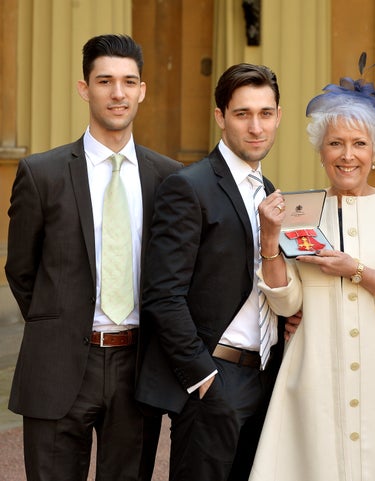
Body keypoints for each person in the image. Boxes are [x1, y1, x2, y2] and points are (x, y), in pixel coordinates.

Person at [4, 34, 181, 481]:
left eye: (128, 82)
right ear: (84, 88)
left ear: (142, 89)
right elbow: (21, 269)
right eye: (105, 81)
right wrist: (59, 324)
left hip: (138, 366)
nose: (117, 93)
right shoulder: (41, 174)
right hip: (58, 363)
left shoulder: (170, 179)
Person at [248, 61, 375, 481]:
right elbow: (286, 302)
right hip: (315, 376)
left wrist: (357, 269)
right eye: (335, 144)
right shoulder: (300, 210)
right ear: (321, 151)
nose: (347, 155)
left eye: (359, 144)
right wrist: (270, 242)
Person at [134, 63, 286, 481]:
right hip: (215, 379)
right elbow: (162, 295)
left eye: (266, 113)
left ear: (278, 116)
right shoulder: (189, 186)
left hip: (263, 376)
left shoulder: (270, 191)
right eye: (242, 114)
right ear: (220, 117)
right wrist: (203, 378)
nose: (256, 127)